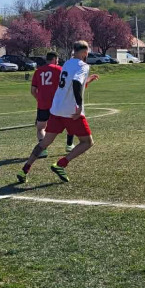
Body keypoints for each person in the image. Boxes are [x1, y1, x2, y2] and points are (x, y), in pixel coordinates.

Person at [18, 40, 99, 183]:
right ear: (85, 52)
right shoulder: (83, 66)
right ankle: (61, 164)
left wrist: (87, 81)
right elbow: (75, 82)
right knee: (87, 142)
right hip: (70, 111)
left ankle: (25, 169)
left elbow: (70, 83)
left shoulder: (67, 64)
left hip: (56, 109)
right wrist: (79, 105)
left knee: (45, 142)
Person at [31, 52, 75, 158]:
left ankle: (43, 149)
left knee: (41, 128)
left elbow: (33, 90)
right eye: (58, 59)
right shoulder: (59, 69)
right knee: (70, 122)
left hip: (43, 104)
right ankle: (69, 145)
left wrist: (39, 99)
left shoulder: (38, 72)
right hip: (58, 103)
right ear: (55, 59)